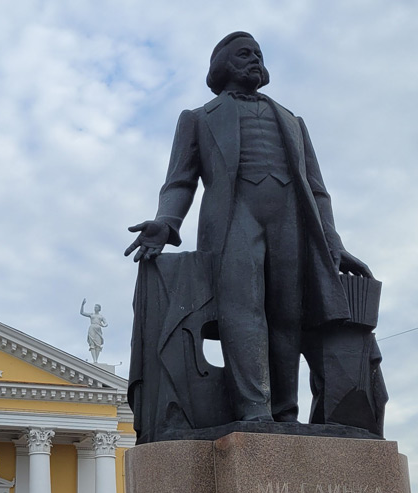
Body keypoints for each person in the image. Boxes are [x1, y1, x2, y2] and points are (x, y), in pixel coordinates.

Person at [127, 31, 373, 424]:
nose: (255, 60)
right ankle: (254, 411)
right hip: (233, 218)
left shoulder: (293, 121)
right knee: (243, 313)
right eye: (245, 54)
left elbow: (317, 190)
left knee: (287, 316)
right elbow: (179, 181)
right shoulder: (198, 118)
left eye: (258, 54)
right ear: (223, 65)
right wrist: (165, 222)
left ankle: (285, 414)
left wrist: (333, 243)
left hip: (290, 218)